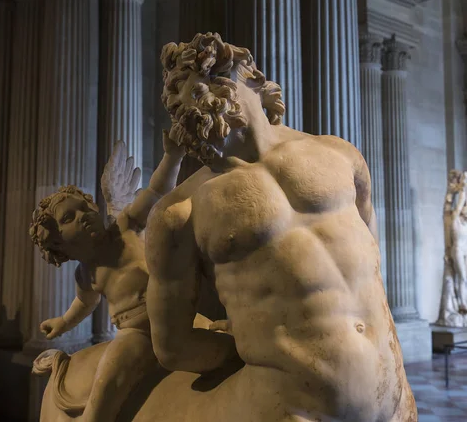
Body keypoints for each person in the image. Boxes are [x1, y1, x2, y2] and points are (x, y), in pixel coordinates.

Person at [144, 32, 417, 421]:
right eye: (177, 95)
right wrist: (244, 346)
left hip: (393, 400)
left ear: (248, 76)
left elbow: (369, 267)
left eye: (210, 74)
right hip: (289, 407)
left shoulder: (340, 154)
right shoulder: (181, 212)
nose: (188, 98)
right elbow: (171, 346)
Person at [30, 132, 200, 422]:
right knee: (105, 392)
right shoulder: (86, 275)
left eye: (84, 207)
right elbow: (84, 304)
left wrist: (173, 156)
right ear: (59, 245)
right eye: (69, 219)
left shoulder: (124, 226)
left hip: (180, 312)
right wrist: (63, 322)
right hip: (137, 332)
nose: (83, 215)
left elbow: (157, 193)